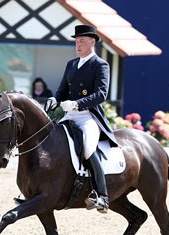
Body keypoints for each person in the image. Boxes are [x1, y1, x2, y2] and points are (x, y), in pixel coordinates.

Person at [46, 25, 118, 214]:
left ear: (92, 42)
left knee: (87, 148)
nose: (78, 45)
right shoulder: (71, 64)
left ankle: (102, 196)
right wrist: (56, 99)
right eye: (77, 41)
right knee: (49, 142)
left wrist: (77, 103)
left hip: (88, 116)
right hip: (69, 115)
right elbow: (62, 90)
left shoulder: (100, 65)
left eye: (82, 41)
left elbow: (101, 94)